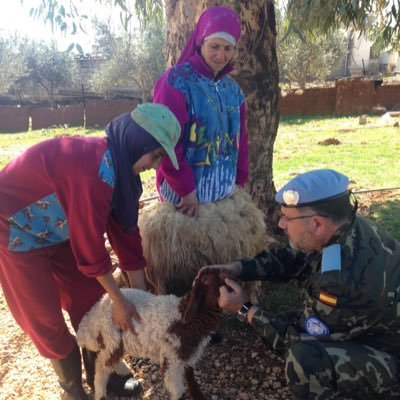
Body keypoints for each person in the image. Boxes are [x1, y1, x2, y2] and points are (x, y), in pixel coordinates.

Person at [0, 103, 180, 400]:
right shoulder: (95, 173)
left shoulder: (122, 176)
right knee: (43, 317)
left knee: (88, 303)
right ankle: (73, 389)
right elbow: (90, 250)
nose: (155, 165)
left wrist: (141, 299)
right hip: (16, 229)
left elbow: (126, 236)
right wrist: (120, 301)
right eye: (156, 155)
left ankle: (104, 378)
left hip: (58, 230)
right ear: (138, 142)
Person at [204, 169, 400, 399]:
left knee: (304, 361)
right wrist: (239, 268)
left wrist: (244, 309)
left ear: (317, 223)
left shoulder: (338, 283)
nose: (280, 224)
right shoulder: (347, 226)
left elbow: (297, 342)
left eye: (287, 218)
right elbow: (293, 259)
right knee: (287, 319)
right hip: (380, 328)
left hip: (392, 355)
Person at [153, 5, 249, 217]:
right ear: (200, 41)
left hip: (224, 198)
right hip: (184, 201)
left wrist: (240, 180)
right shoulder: (175, 83)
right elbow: (166, 142)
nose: (220, 55)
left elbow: (240, 140)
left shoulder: (233, 91)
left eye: (228, 48)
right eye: (214, 46)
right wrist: (185, 190)